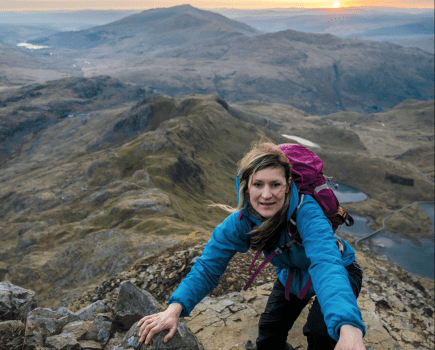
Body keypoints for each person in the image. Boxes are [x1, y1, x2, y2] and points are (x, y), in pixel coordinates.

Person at [138, 141, 366, 350]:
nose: (266, 195)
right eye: (258, 184)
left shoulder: (307, 213)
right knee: (268, 340)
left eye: (275, 184)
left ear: (287, 185)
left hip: (341, 270)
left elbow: (326, 264)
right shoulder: (241, 222)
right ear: (247, 187)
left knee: (321, 334)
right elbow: (208, 266)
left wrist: (349, 327)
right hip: (292, 276)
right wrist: (174, 309)